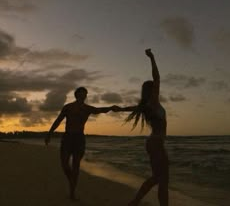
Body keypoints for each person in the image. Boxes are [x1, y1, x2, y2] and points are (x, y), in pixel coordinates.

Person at [113, 49, 168, 206]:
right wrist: (152, 57)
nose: (157, 90)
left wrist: (120, 109)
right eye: (154, 89)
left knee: (159, 178)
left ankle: (135, 202)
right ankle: (135, 201)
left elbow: (132, 108)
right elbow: (157, 78)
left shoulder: (146, 106)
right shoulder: (153, 103)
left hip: (153, 143)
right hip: (156, 143)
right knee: (161, 179)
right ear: (152, 91)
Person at [45, 87, 114, 200]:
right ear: (76, 95)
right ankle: (72, 179)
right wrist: (49, 134)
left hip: (79, 139)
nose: (84, 95)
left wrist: (111, 108)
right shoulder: (68, 107)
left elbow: (100, 110)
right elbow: (58, 120)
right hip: (67, 137)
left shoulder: (87, 108)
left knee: (76, 166)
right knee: (64, 164)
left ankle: (72, 193)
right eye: (82, 93)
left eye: (85, 94)